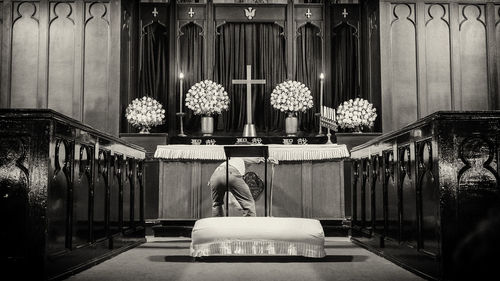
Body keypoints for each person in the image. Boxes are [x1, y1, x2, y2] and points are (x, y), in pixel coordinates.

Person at [209, 156, 277, 217]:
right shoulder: (240, 158)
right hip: (231, 172)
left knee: (217, 204)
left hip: (214, 176)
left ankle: (218, 226)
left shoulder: (229, 161)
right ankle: (249, 227)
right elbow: (257, 158)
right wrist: (269, 159)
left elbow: (231, 195)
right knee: (249, 205)